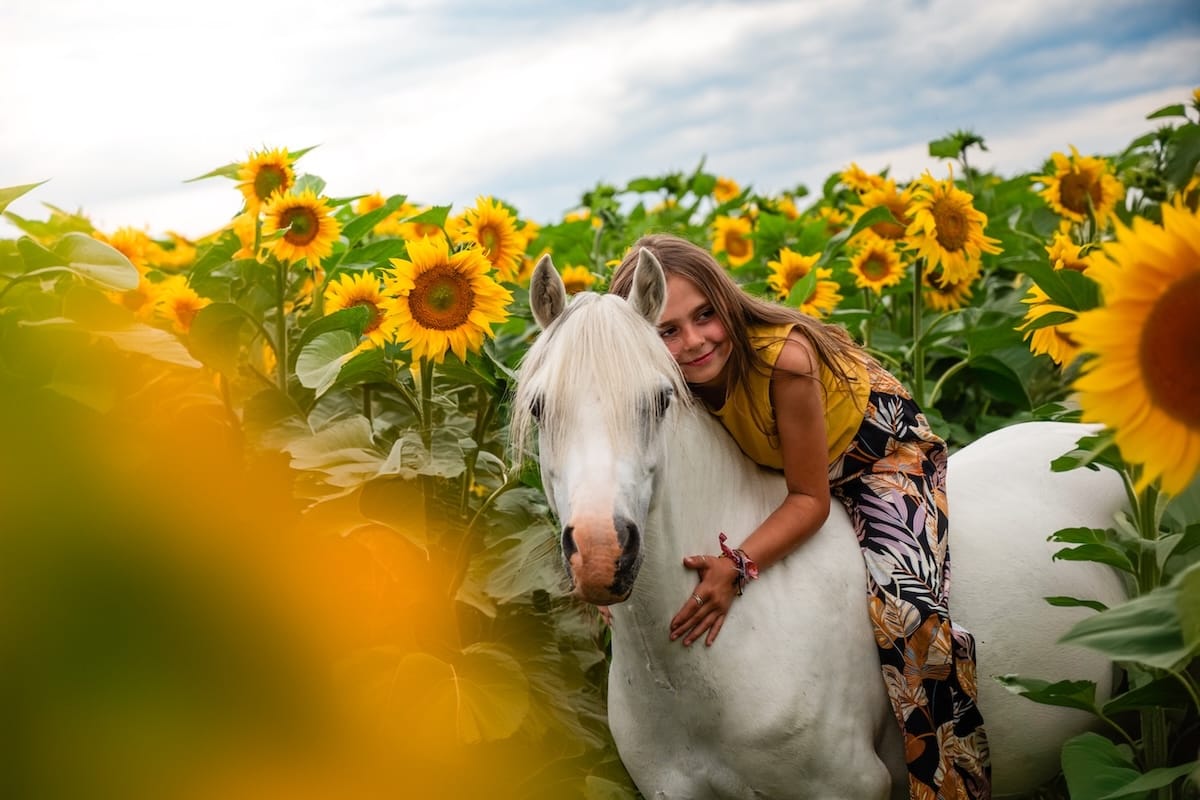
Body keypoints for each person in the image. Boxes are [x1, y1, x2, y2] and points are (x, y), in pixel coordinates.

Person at [609, 233, 991, 800]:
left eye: (705, 315)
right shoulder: (667, 384)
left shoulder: (782, 360)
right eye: (667, 330)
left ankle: (952, 779)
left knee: (909, 610)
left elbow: (810, 499)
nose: (693, 342)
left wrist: (737, 563)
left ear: (726, 301)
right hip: (776, 461)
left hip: (878, 455)